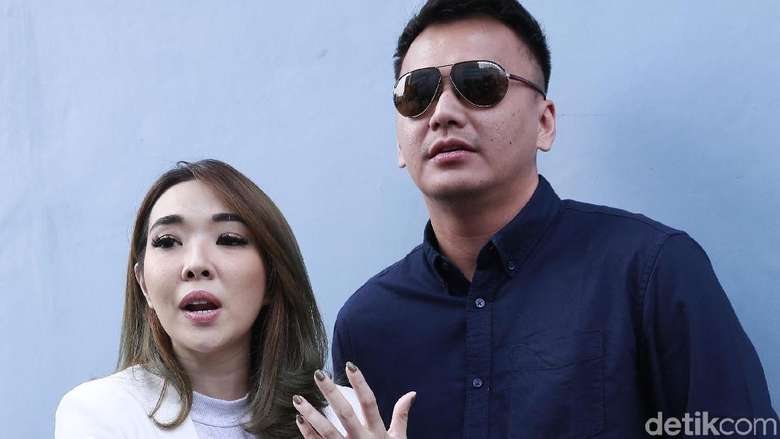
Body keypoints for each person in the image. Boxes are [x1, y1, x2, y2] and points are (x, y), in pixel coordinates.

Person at [330, 0, 779, 437]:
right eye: (416, 93)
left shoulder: (650, 273)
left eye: (481, 83)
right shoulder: (367, 325)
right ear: (399, 142)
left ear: (544, 123)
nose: (443, 113)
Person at [55, 160, 368, 438]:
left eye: (229, 239)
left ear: (272, 279)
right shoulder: (99, 413)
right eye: (168, 241)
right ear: (143, 284)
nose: (195, 264)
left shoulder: (345, 417)